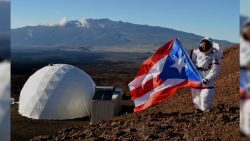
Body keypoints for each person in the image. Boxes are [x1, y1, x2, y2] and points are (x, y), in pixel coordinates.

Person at [190, 37, 221, 112]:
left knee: (206, 97)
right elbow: (191, 62)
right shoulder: (196, 52)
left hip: (207, 76)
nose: (204, 47)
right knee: (196, 96)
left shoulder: (214, 55)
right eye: (202, 46)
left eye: (205, 46)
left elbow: (215, 69)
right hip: (197, 76)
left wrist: (208, 78)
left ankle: (206, 110)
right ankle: (198, 110)